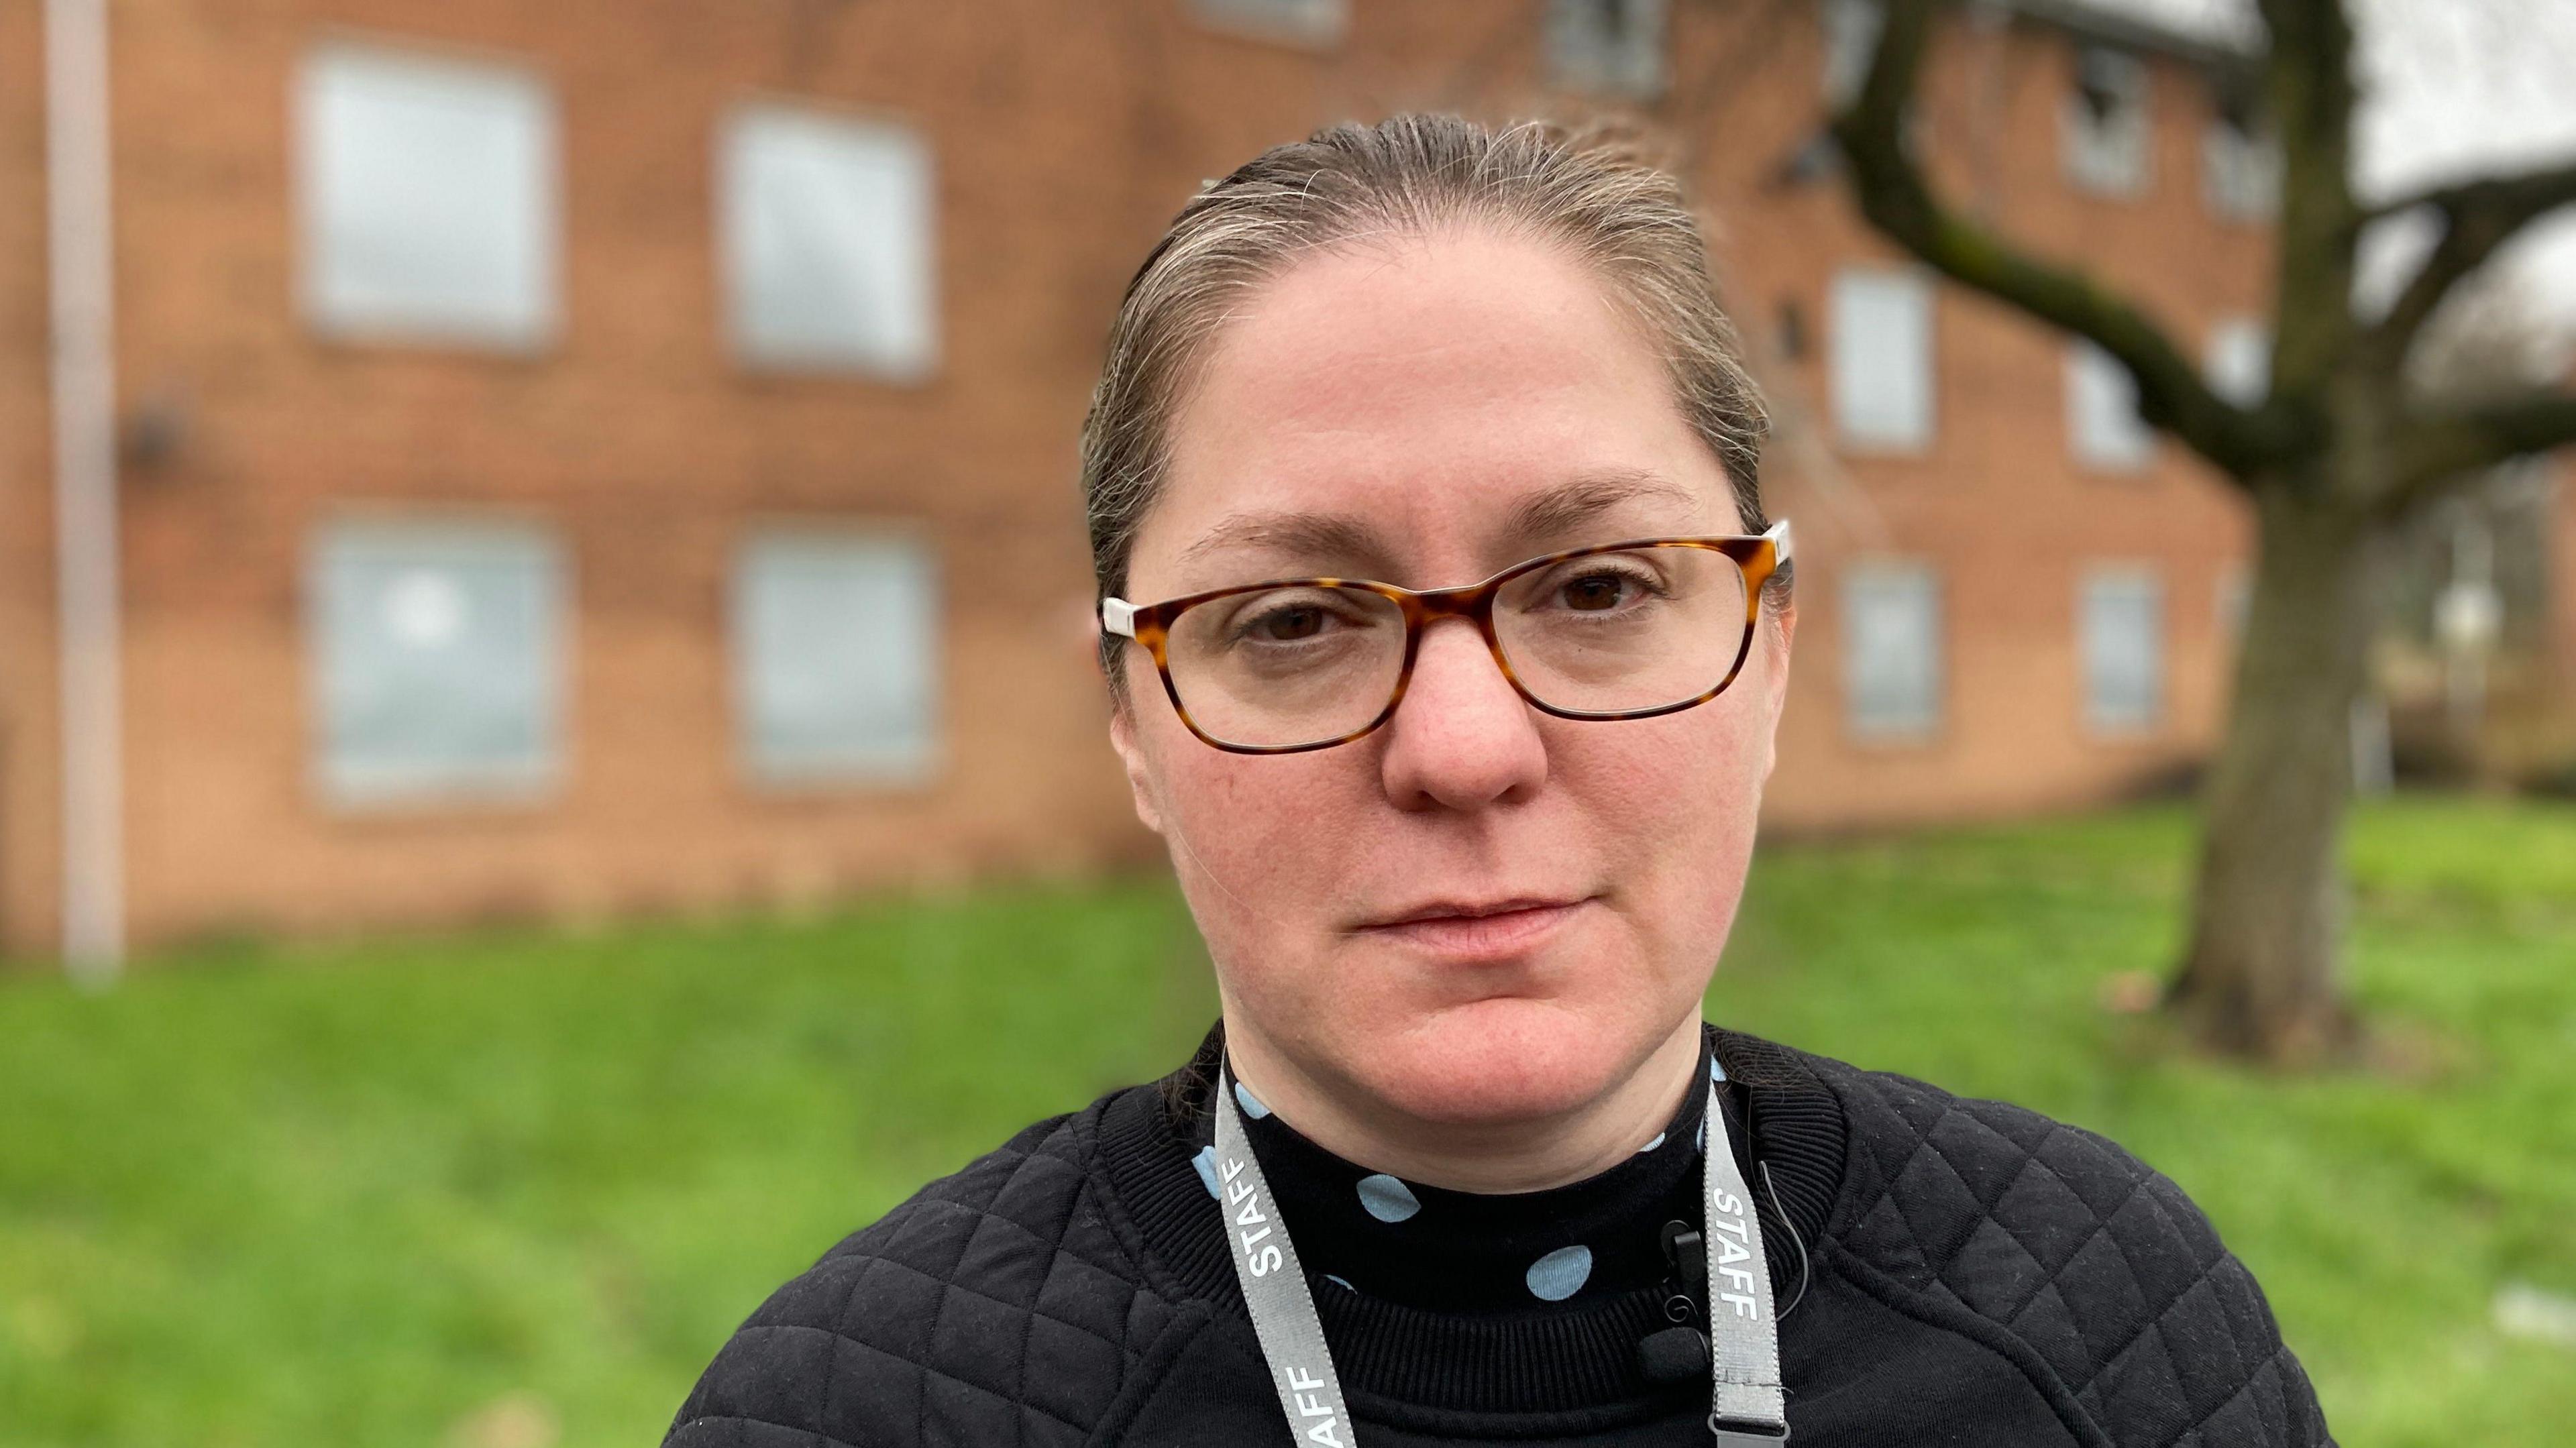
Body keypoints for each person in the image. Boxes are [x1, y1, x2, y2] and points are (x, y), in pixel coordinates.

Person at [663, 114, 2334, 1447]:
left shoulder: (2118, 1342)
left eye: (1600, 587)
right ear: (1134, 722)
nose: (1463, 751)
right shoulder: (851, 1414)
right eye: (1298, 619)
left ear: (1770, 649)